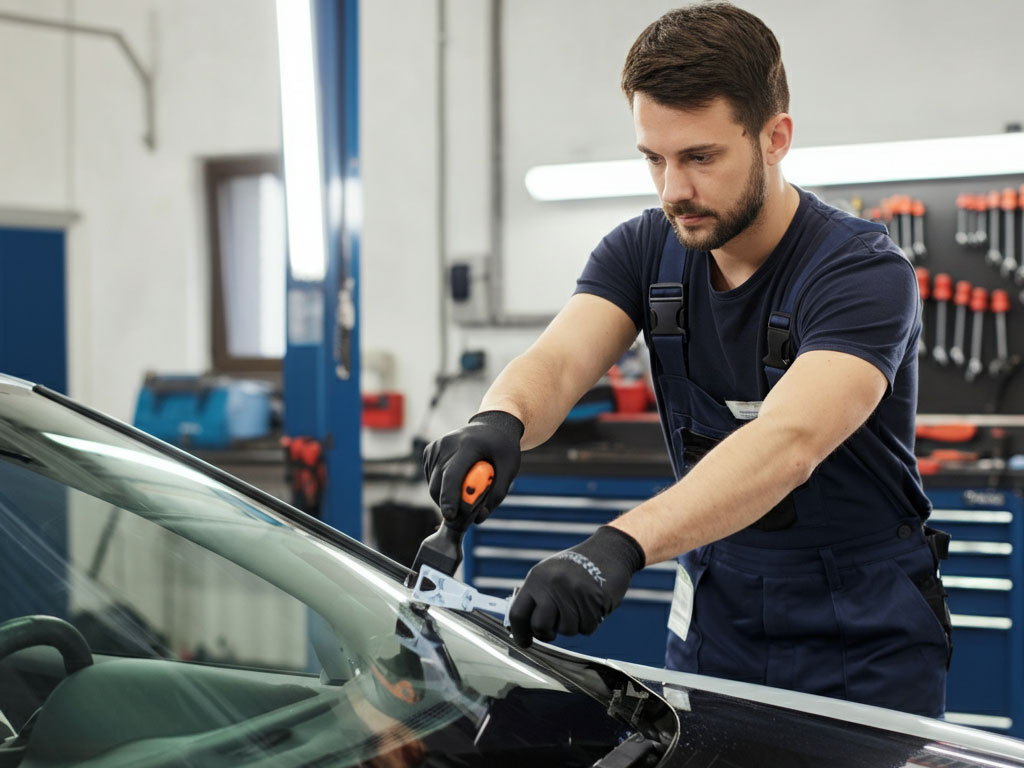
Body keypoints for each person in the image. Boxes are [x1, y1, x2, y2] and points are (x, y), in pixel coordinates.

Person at [423, 2, 951, 718]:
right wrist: (501, 419)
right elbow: (559, 358)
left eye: (700, 157)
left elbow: (788, 444)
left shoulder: (861, 272)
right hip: (719, 614)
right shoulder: (642, 250)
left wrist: (619, 545)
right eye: (655, 159)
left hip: (862, 632)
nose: (674, 189)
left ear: (774, 138)